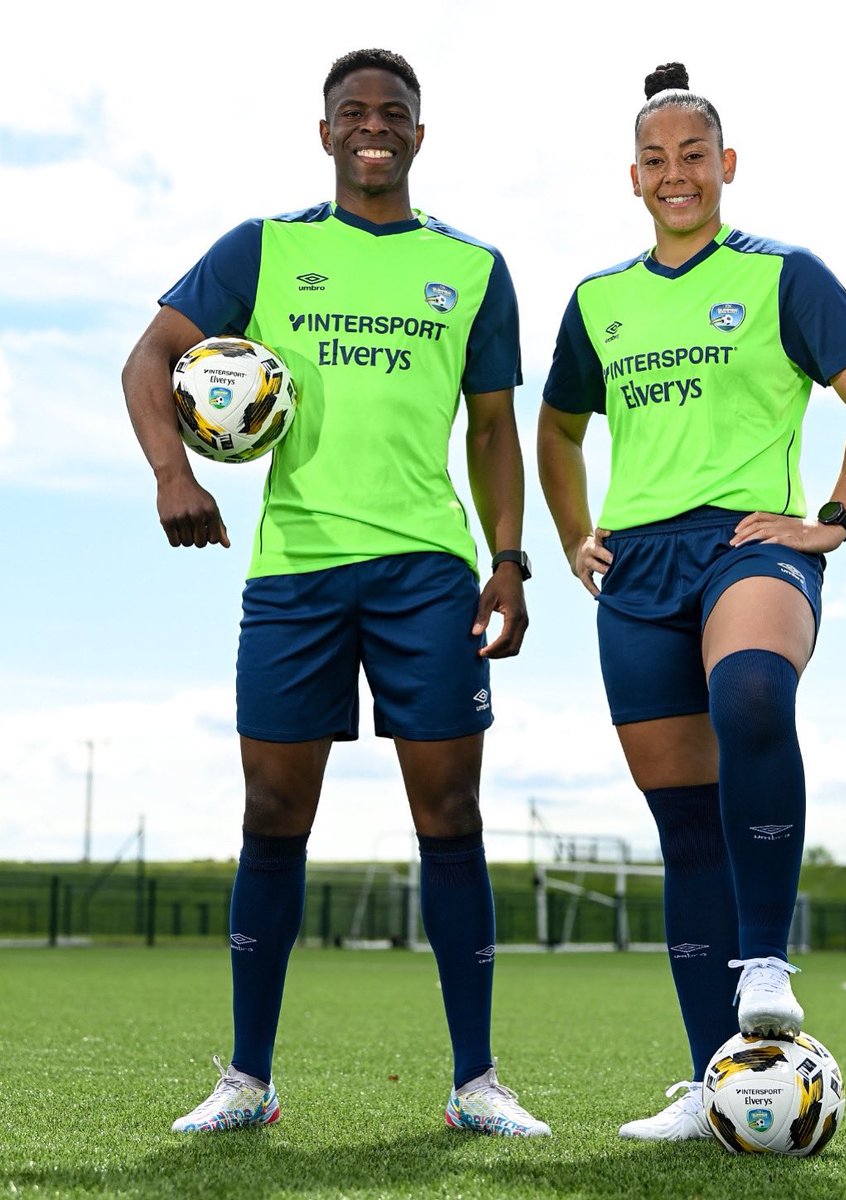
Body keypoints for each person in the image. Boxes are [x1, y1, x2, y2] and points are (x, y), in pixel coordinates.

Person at [122, 47, 549, 1139]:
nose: (372, 126)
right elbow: (150, 360)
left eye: (392, 113)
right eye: (352, 112)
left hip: (427, 571)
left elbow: (496, 429)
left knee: (449, 814)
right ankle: (248, 1084)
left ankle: (475, 1085)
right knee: (274, 813)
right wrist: (175, 473)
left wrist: (508, 558)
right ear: (325, 136)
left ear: (418, 133)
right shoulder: (263, 250)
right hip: (296, 573)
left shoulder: (474, 267)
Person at [537, 62, 846, 1142]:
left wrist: (833, 517)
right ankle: (711, 1088)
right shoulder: (598, 301)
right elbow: (558, 429)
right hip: (638, 570)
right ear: (634, 178)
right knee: (685, 826)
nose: (677, 174)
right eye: (656, 160)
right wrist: (571, 532)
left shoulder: (787, 274)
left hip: (751, 543)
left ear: (726, 165)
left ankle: (766, 964)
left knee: (751, 693)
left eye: (694, 155)